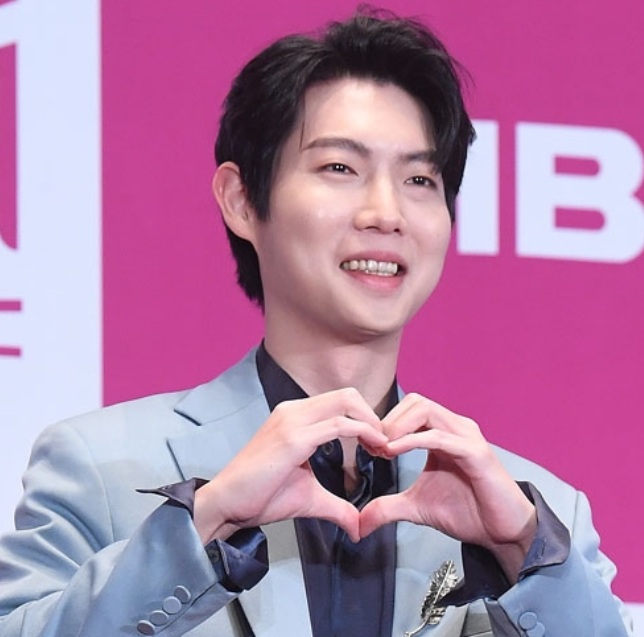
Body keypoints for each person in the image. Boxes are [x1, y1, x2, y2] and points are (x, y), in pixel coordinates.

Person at [0, 8, 633, 637]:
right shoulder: (100, 467)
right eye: (340, 169)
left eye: (420, 179)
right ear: (242, 200)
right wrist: (204, 522)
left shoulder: (539, 517)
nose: (386, 213)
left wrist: (521, 548)